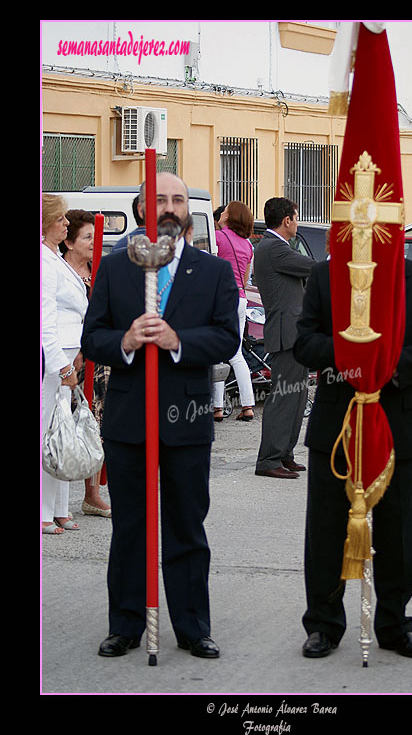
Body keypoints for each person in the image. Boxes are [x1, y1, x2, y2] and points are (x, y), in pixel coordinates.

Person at [81, 172, 240, 659]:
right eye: (160, 199)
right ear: (142, 209)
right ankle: (126, 623)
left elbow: (227, 337)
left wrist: (179, 342)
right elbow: (93, 338)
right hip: (130, 420)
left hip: (187, 419)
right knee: (130, 525)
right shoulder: (114, 269)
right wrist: (125, 342)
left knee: (187, 526)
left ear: (187, 212)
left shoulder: (211, 271)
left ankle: (193, 627)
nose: (169, 206)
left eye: (178, 199)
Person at [293, 254, 412, 659]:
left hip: (395, 422)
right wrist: (348, 352)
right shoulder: (326, 276)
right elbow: (304, 343)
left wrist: (389, 365)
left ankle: (395, 624)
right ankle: (324, 624)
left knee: (398, 532)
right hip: (336, 426)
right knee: (327, 530)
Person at [253, 197, 316, 479]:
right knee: (284, 399)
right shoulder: (273, 248)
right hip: (285, 333)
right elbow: (313, 267)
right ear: (287, 220)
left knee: (298, 398)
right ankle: (269, 459)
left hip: (295, 333)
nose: (297, 221)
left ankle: (284, 453)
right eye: (296, 216)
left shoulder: (276, 247)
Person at [42, 195, 89, 534]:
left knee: (63, 432)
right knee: (48, 433)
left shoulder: (55, 257)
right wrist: (62, 365)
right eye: (60, 219)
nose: (66, 224)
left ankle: (59, 507)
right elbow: (45, 321)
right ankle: (44, 511)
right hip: (53, 361)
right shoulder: (44, 263)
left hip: (69, 355)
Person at [62, 209, 111, 518]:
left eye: (97, 236)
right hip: (66, 357)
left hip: (98, 358)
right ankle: (53, 499)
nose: (95, 242)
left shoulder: (101, 272)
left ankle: (92, 493)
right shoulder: (58, 271)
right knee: (61, 423)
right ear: (69, 241)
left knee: (96, 422)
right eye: (88, 237)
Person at [212, 201, 256, 422]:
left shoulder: (218, 238)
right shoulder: (248, 245)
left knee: (217, 353)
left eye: (226, 211)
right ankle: (247, 404)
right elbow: (247, 280)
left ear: (230, 217)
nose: (222, 213)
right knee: (236, 353)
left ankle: (217, 408)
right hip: (241, 298)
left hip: (222, 298)